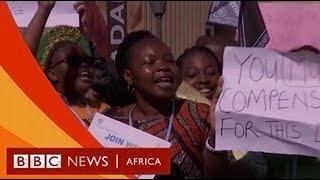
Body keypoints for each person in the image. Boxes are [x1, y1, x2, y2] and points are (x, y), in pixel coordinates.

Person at [103, 30, 231, 178]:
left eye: (170, 60)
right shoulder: (110, 122)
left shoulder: (199, 113)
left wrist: (216, 137)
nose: (164, 66)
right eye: (150, 62)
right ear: (128, 76)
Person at [22, 1, 110, 127]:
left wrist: (81, 27)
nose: (83, 66)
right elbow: (22, 66)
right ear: (52, 73)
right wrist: (44, 9)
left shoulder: (103, 110)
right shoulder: (43, 106)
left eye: (86, 61)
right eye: (73, 61)